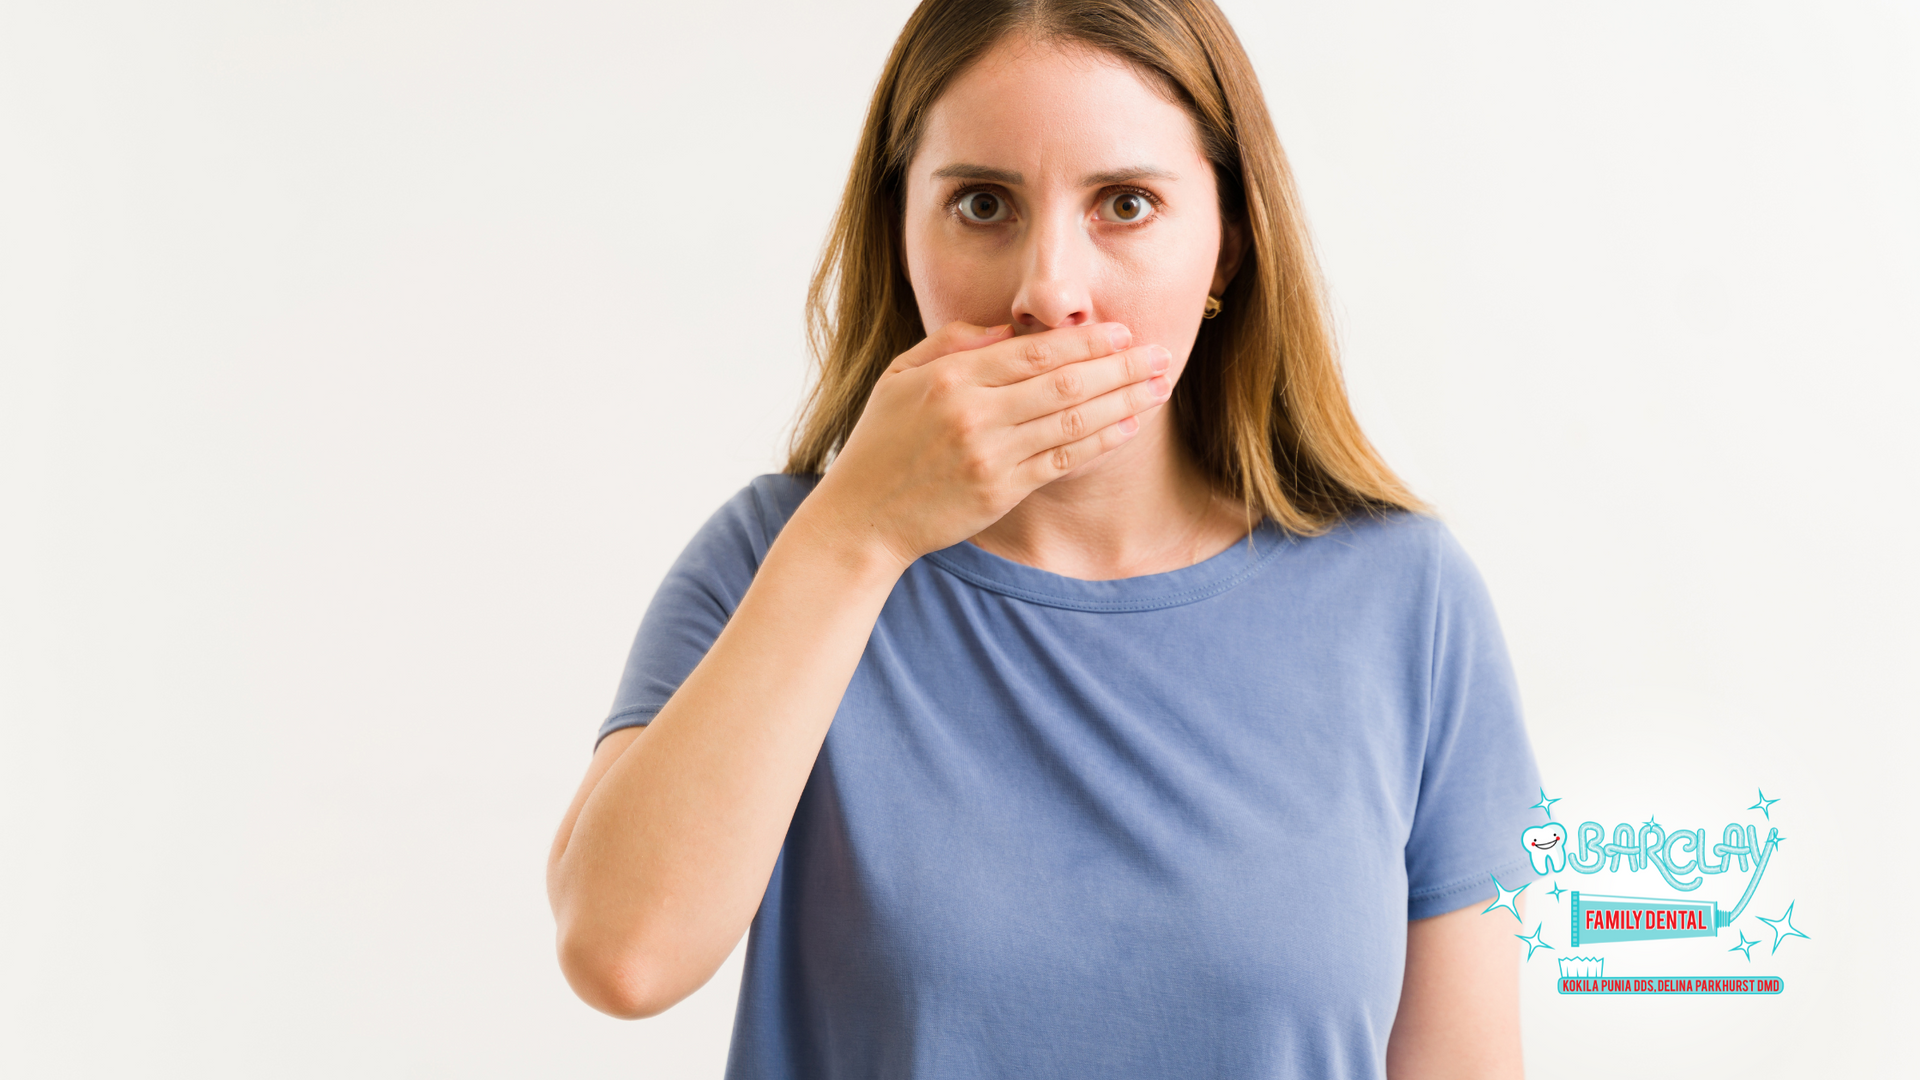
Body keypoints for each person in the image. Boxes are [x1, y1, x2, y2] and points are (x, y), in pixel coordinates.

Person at [547, 1, 1542, 1075]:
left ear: (1228, 247)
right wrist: (861, 532)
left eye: (1125, 203)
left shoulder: (1405, 599)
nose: (1047, 293)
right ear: (902, 232)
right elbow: (623, 958)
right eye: (983, 204)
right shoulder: (777, 557)